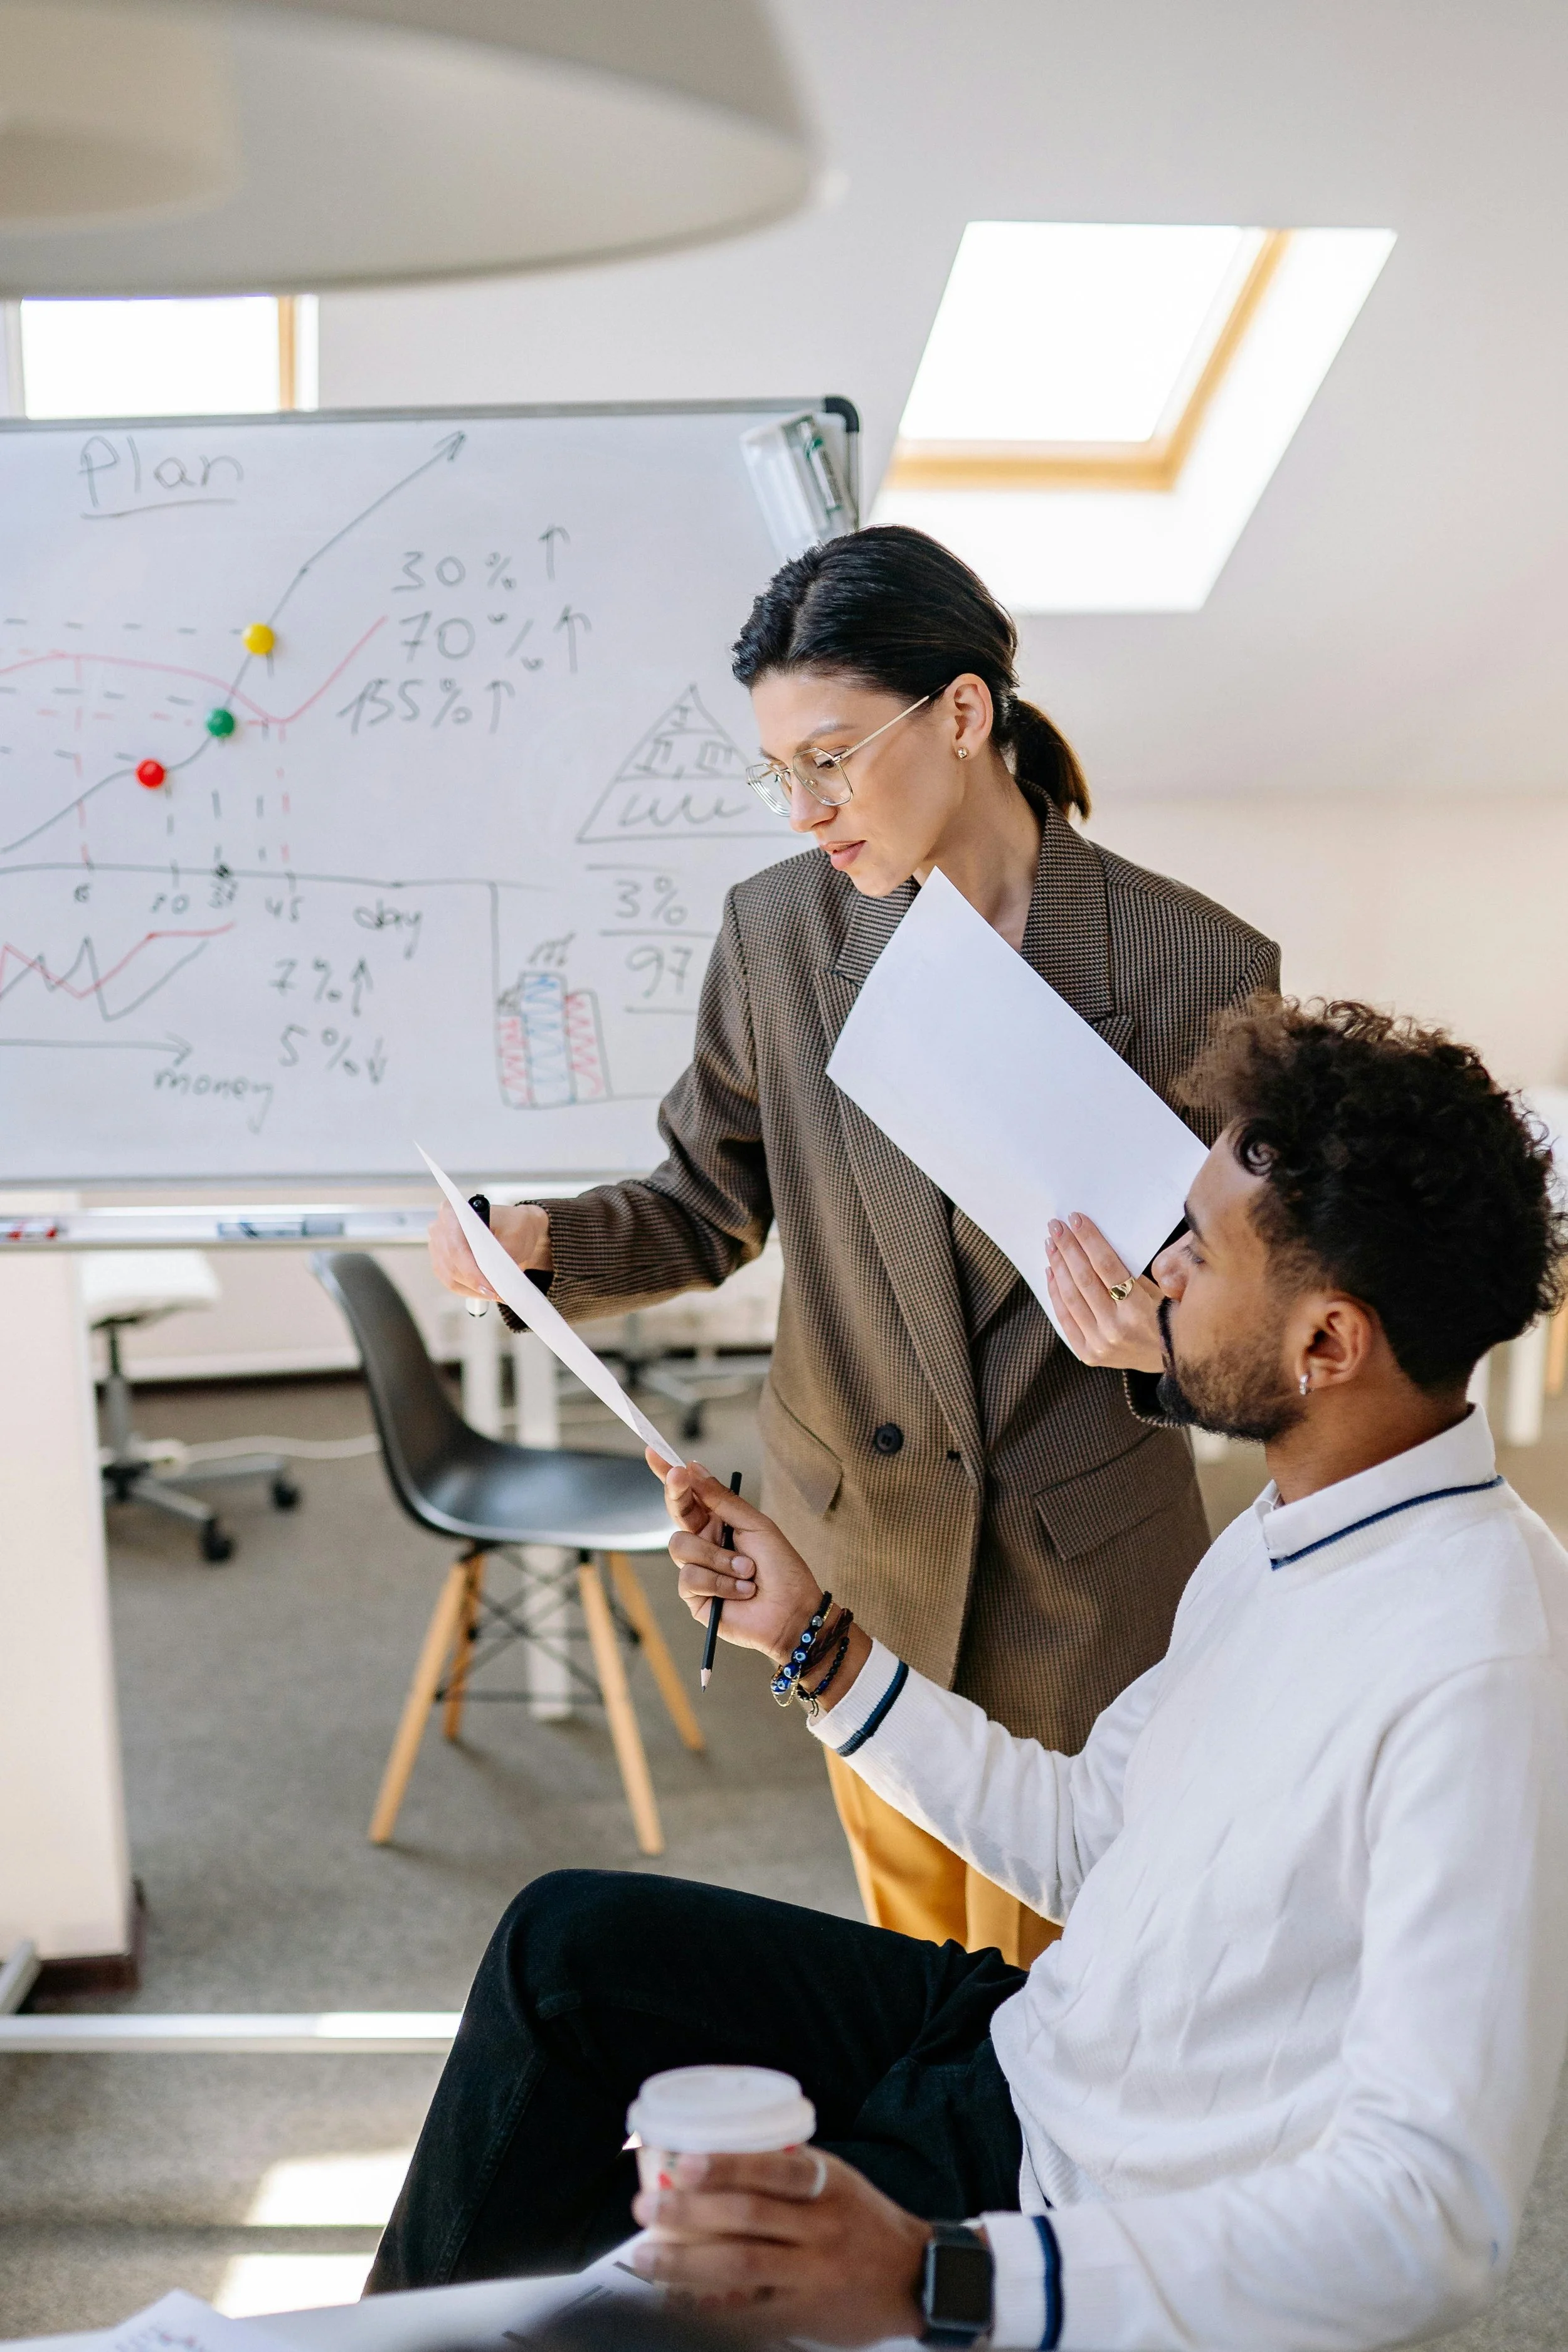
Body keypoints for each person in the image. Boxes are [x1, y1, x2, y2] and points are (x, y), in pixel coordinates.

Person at [373, 1000, 1568, 2351]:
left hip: (1082, 2201)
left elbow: (1431, 2220)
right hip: (1021, 2049)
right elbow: (1083, 1840)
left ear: (1325, 1346)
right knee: (568, 1948)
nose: (1156, 1268)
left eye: (1199, 1251)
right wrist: (814, 1640)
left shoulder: (1475, 1665)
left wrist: (943, 2273)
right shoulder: (1292, 1525)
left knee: (630, 2315)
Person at [428, 524, 1278, 1964]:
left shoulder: (1200, 967)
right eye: (781, 772)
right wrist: (538, 1241)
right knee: (904, 1964)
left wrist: (1166, 1350)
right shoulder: (776, 936)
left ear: (960, 713)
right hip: (858, 1557)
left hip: (1080, 1573)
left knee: (1066, 1981)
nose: (803, 809)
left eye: (829, 758)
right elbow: (706, 1203)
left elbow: (1268, 1316)